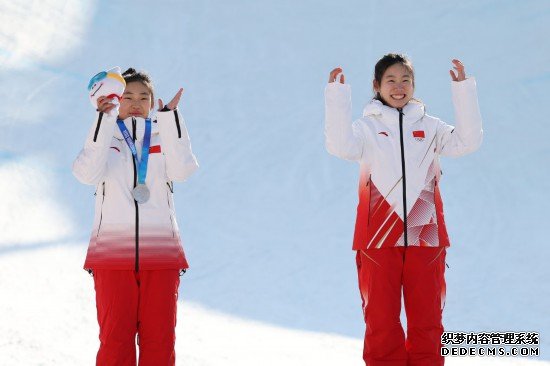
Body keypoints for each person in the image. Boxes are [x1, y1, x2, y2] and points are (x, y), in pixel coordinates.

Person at [324, 54, 483, 366]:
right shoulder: (365, 129)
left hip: (426, 234)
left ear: (414, 85)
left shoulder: (431, 126)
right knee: (381, 322)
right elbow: (339, 146)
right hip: (377, 237)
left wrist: (463, 90)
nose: (399, 87)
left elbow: (467, 142)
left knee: (427, 322)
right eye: (391, 80)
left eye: (405, 80)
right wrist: (337, 97)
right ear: (376, 85)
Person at [73, 67, 199, 366]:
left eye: (144, 96)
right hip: (112, 256)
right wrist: (104, 121)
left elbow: (183, 170)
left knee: (160, 339)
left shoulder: (162, 135)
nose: (136, 102)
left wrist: (170, 120)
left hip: (162, 256)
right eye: (127, 95)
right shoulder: (105, 137)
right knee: (115, 340)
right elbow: (86, 173)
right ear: (115, 99)